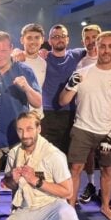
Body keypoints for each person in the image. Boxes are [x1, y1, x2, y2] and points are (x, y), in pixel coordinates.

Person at [59, 31, 111, 220]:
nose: (106, 50)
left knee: (107, 170)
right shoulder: (81, 73)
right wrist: (68, 87)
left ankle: (106, 207)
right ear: (96, 48)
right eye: (102, 46)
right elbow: (63, 101)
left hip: (107, 131)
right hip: (82, 128)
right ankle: (70, 210)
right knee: (75, 169)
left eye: (110, 46)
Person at [0, 31, 42, 220]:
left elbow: (37, 102)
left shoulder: (25, 70)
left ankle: (17, 206)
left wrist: (26, 87)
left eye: (4, 50)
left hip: (16, 138)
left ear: (11, 49)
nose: (0, 55)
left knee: (17, 177)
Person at [41, 24, 86, 155]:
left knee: (68, 157)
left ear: (68, 39)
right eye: (55, 37)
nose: (59, 39)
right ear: (49, 41)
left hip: (70, 113)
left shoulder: (77, 55)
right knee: (47, 156)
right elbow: (21, 54)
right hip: (47, 113)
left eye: (63, 36)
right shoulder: (44, 57)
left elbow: (100, 48)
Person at [75, 24, 102, 205]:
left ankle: (105, 194)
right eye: (87, 38)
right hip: (85, 115)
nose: (91, 41)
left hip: (107, 116)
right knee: (89, 155)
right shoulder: (80, 61)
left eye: (94, 37)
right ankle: (91, 185)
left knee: (108, 158)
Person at [18, 23, 47, 89]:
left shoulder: (44, 64)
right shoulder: (14, 59)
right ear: (22, 40)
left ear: (42, 40)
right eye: (29, 38)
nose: (33, 42)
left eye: (37, 38)